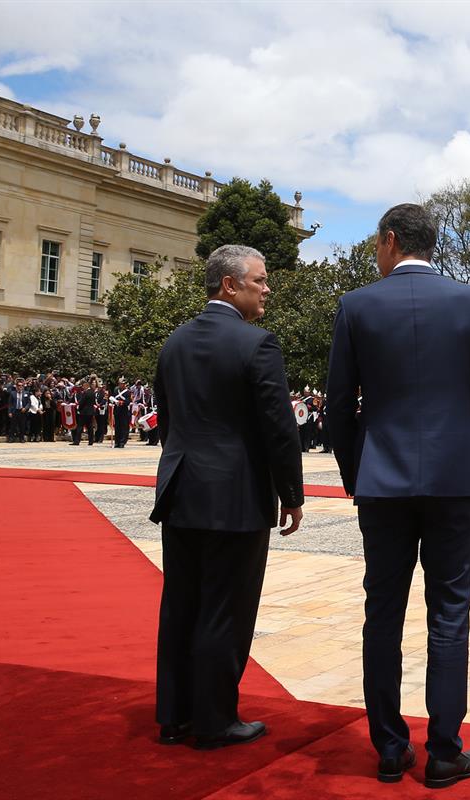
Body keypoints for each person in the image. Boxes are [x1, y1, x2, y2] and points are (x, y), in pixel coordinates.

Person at [326, 203, 470, 789]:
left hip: (383, 480)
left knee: (382, 614)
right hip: (457, 479)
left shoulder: (356, 306)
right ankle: (445, 751)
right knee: (449, 614)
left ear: (390, 239)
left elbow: (337, 407)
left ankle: (388, 745)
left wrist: (360, 475)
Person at [149, 244, 304, 751]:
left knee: (182, 604)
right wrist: (291, 494)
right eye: (260, 280)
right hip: (234, 495)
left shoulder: (173, 342)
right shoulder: (256, 344)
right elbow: (279, 428)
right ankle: (215, 721)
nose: (267, 288)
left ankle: (175, 716)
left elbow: (169, 422)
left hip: (182, 488)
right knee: (225, 609)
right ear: (229, 285)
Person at [111, 377, 132, 448]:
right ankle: (117, 442)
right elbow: (113, 397)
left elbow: (128, 402)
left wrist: (121, 402)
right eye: (120, 384)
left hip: (124, 411)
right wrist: (113, 401)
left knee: (123, 427)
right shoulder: (116, 390)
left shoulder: (127, 392)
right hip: (117, 411)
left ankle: (122, 442)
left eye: (122, 384)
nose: (121, 385)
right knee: (117, 427)